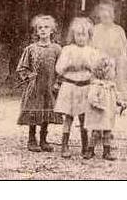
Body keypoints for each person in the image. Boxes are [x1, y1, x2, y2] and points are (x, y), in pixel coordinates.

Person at [54, 17, 102, 159]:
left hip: (85, 87)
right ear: (73, 35)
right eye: (78, 35)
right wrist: (69, 65)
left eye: (84, 35)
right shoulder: (68, 49)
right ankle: (64, 145)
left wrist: (89, 65)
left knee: (84, 118)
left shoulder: (92, 51)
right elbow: (59, 68)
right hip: (70, 86)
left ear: (89, 36)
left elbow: (97, 70)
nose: (81, 38)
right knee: (68, 117)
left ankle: (85, 145)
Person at [15, 14, 62, 152]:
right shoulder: (30, 49)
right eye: (39, 27)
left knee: (47, 109)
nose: (43, 30)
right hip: (35, 87)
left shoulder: (57, 49)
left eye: (46, 27)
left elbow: (62, 68)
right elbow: (22, 68)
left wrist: (58, 82)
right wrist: (29, 75)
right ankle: (31, 139)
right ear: (36, 31)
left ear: (52, 30)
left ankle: (43, 139)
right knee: (33, 111)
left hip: (49, 86)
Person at [86, 56, 126, 161]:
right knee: (96, 132)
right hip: (99, 112)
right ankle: (90, 150)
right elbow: (91, 97)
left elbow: (116, 96)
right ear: (104, 72)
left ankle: (106, 151)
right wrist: (96, 104)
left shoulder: (112, 85)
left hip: (108, 113)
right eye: (112, 70)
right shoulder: (97, 85)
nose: (114, 73)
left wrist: (120, 102)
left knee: (107, 131)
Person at [91, 0, 127, 99]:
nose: (106, 15)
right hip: (99, 62)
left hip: (115, 61)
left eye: (109, 12)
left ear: (113, 15)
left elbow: (124, 49)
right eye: (103, 13)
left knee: (116, 83)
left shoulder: (118, 30)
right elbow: (91, 47)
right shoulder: (95, 29)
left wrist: (120, 61)